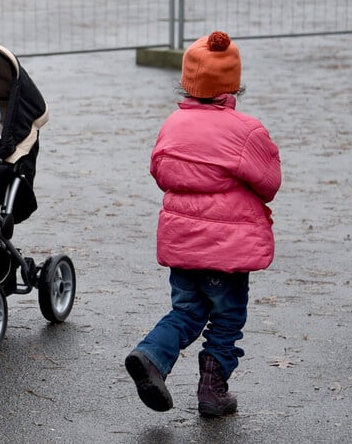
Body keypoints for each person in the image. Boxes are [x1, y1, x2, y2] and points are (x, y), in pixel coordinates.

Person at [125, 31, 282, 417]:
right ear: (234, 84)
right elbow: (270, 182)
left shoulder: (173, 125)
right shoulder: (247, 130)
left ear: (187, 81)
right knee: (226, 318)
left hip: (182, 243)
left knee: (187, 310)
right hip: (226, 249)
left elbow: (160, 171)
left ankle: (151, 355)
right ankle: (212, 390)